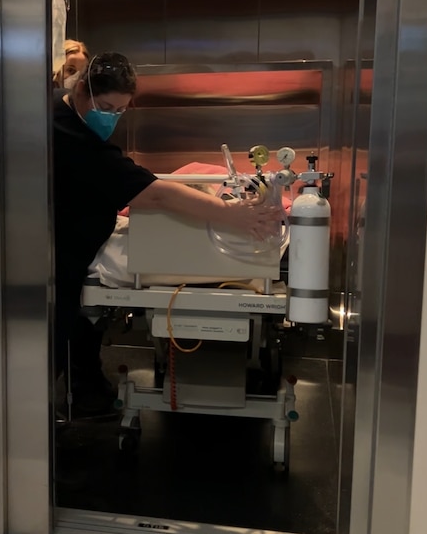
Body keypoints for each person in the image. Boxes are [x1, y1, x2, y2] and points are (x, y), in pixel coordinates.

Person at [53, 52, 281, 416]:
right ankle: (28, 451)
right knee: (49, 352)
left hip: (73, 247)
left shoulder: (72, 121)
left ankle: (84, 395)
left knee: (74, 338)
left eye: (120, 111)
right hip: (58, 255)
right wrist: (228, 214)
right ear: (82, 90)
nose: (111, 117)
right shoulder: (66, 133)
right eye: (107, 107)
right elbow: (154, 192)